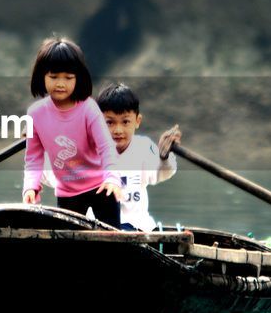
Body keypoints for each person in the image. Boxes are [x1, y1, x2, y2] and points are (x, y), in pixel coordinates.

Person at [22, 38, 123, 227]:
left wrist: (112, 178)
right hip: (68, 192)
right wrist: (30, 187)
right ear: (41, 76)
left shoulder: (88, 109)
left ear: (78, 79)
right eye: (54, 77)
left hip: (101, 187)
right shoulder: (34, 114)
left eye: (68, 78)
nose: (61, 84)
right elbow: (33, 157)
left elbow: (106, 147)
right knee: (67, 243)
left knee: (113, 240)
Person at [95, 83, 181, 232]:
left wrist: (163, 157)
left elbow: (162, 173)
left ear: (137, 121)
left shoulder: (143, 147)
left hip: (137, 227)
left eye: (125, 122)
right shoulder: (89, 151)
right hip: (97, 227)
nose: (118, 130)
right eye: (109, 122)